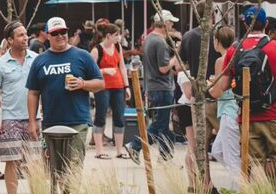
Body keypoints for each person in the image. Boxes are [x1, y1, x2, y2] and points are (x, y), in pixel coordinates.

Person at [212, 7, 276, 186]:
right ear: (266, 24)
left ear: (244, 24)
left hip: (247, 115)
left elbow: (224, 85)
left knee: (255, 161)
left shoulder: (234, 50)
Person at [26, 17, 104, 168]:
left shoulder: (82, 55)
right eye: (55, 33)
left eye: (63, 32)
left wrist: (83, 84)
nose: (60, 36)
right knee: (52, 167)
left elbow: (100, 83)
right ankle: (56, 193)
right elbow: (33, 92)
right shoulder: (40, 60)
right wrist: (32, 121)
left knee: (73, 167)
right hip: (50, 122)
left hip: (77, 121)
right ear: (48, 35)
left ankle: (71, 193)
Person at [0, 21, 38, 194]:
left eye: (26, 34)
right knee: (12, 162)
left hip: (34, 118)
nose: (25, 38)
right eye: (20, 35)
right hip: (10, 119)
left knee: (35, 161)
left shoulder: (36, 59)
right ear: (9, 40)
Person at [127, 10, 181, 162]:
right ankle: (136, 145)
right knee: (161, 124)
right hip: (162, 87)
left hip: (153, 86)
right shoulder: (160, 42)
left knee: (161, 124)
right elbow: (163, 68)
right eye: (171, 22)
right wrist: (175, 55)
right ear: (165, 23)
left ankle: (164, 155)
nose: (172, 25)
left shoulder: (149, 38)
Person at [209, 26, 242, 186]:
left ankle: (239, 192)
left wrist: (207, 87)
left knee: (231, 156)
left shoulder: (221, 60)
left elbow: (217, 91)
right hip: (235, 108)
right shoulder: (237, 55)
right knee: (217, 150)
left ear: (217, 42)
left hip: (228, 110)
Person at [91, 22, 129, 159]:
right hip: (103, 86)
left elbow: (122, 67)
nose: (118, 38)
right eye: (116, 35)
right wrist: (104, 70)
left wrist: (127, 86)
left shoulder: (117, 47)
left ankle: (119, 149)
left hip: (118, 85)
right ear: (108, 36)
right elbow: (90, 70)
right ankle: (99, 150)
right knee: (101, 116)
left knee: (119, 117)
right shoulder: (97, 50)